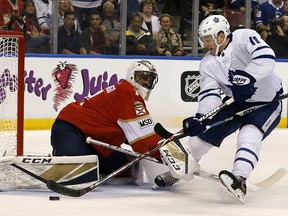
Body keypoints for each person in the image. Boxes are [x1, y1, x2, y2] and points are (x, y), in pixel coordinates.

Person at [156, 15, 283, 203]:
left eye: (207, 39)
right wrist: (201, 117)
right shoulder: (207, 63)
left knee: (249, 134)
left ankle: (239, 179)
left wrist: (248, 77)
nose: (204, 44)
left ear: (221, 35)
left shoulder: (243, 37)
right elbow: (209, 94)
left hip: (267, 103)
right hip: (236, 102)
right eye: (203, 40)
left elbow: (266, 57)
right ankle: (180, 170)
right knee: (204, 135)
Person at [50, 60, 163, 178]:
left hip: (96, 139)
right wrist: (163, 154)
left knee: (123, 168)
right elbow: (143, 140)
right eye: (143, 78)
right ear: (132, 76)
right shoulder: (127, 93)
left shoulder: (127, 92)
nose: (147, 82)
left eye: (150, 80)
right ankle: (62, 157)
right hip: (72, 127)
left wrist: (163, 147)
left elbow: (137, 133)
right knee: (73, 167)